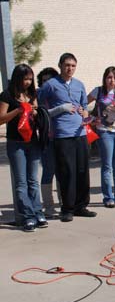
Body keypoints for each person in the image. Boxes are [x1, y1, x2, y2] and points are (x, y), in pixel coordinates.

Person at [38, 53, 96, 222]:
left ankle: (81, 206)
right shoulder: (51, 85)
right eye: (67, 65)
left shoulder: (79, 84)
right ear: (60, 66)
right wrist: (60, 109)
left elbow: (85, 107)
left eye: (73, 66)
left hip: (80, 133)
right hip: (62, 135)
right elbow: (40, 109)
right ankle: (67, 208)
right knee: (66, 172)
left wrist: (84, 112)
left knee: (82, 171)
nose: (70, 68)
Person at [0, 64, 45, 232]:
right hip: (16, 143)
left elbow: (37, 112)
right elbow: (1, 118)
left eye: (30, 79)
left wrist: (35, 112)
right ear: (18, 78)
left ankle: (38, 213)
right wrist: (17, 111)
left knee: (33, 180)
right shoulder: (7, 95)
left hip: (33, 141)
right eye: (25, 79)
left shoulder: (32, 94)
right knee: (21, 182)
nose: (28, 82)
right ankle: (27, 217)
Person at [88, 66, 115, 208]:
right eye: (109, 77)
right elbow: (83, 103)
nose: (112, 81)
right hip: (105, 131)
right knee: (107, 166)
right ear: (105, 78)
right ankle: (108, 198)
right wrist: (91, 119)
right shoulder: (98, 91)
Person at [36, 67, 61, 218]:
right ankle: (49, 207)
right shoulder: (38, 95)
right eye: (44, 81)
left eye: (50, 80)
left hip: (62, 137)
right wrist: (61, 109)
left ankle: (64, 203)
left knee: (62, 172)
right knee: (48, 171)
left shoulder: (59, 93)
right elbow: (42, 113)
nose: (47, 83)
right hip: (47, 139)